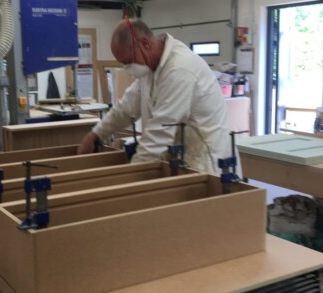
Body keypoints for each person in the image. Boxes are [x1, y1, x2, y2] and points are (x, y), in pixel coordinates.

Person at [77, 17, 240, 175]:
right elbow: (126, 108)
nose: (127, 68)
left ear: (145, 44)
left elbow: (159, 133)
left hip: (208, 166)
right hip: (182, 162)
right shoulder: (150, 67)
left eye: (128, 61)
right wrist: (96, 134)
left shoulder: (180, 70)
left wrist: (130, 177)